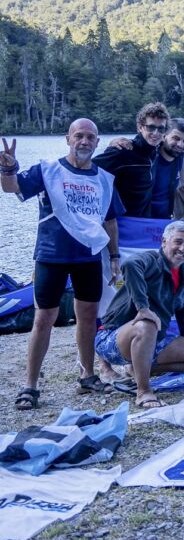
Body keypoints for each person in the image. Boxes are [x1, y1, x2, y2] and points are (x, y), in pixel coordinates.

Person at [1, 123, 124, 409]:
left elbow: (110, 220)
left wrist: (115, 256)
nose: (84, 141)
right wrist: (7, 169)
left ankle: (87, 375)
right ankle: (30, 386)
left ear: (97, 142)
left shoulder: (104, 179)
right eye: (78, 136)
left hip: (88, 257)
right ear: (68, 139)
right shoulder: (49, 170)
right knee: (43, 318)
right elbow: (11, 187)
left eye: (90, 137)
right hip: (51, 256)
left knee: (88, 317)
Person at [95, 222, 184, 409]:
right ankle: (143, 391)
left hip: (153, 339)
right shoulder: (151, 259)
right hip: (111, 337)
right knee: (147, 323)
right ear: (164, 241)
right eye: (178, 242)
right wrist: (143, 308)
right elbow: (129, 264)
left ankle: (136, 368)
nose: (182, 248)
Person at [94, 102, 169, 216]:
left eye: (161, 129)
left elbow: (175, 145)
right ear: (140, 127)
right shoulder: (123, 151)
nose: (156, 133)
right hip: (122, 222)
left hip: (143, 221)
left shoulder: (156, 151)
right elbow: (87, 168)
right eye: (151, 127)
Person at [149, 117, 184, 220]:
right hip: (143, 220)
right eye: (176, 138)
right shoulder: (149, 158)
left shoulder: (179, 156)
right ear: (163, 136)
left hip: (165, 220)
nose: (180, 145)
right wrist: (117, 141)